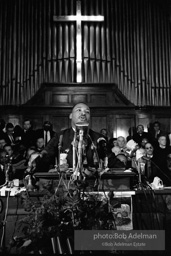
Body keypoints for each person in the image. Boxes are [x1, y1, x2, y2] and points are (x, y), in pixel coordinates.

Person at [35, 103, 124, 172]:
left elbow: (113, 162)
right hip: (66, 183)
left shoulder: (98, 138)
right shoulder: (60, 136)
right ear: (70, 116)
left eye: (87, 112)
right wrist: (56, 169)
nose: (83, 113)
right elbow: (43, 160)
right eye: (79, 110)